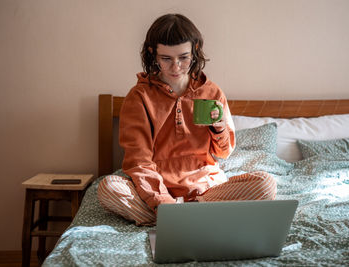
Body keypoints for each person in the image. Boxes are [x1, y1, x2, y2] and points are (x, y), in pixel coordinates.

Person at [97, 14, 277, 226]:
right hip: (157, 193)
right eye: (166, 59)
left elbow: (224, 152)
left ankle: (179, 218)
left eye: (183, 57)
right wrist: (163, 201)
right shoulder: (139, 98)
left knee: (266, 184)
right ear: (152, 53)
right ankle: (182, 217)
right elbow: (139, 163)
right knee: (108, 187)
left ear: (195, 49)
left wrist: (219, 128)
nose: (176, 67)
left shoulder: (211, 91)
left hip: (207, 190)